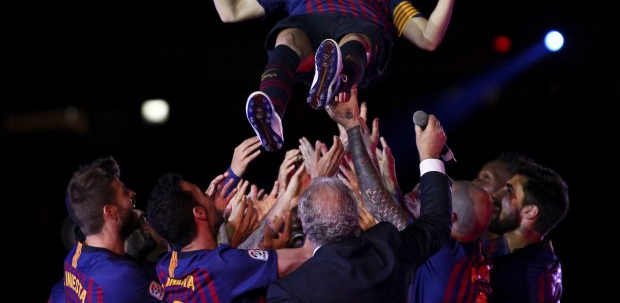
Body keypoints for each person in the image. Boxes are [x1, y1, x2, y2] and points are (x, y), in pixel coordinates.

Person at [185, 0, 465, 151]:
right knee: (288, 36)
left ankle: (338, 75)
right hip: (311, 33)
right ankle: (271, 112)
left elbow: (428, 37)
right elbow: (231, 11)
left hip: (361, 33)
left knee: (357, 37)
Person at [265, 85, 452, 302]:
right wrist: (429, 154)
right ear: (355, 212)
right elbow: (436, 223)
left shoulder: (288, 291)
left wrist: (304, 189)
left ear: (305, 225)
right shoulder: (387, 251)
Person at [146, 170, 312, 302]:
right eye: (203, 195)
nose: (210, 197)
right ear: (199, 212)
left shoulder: (166, 266)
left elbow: (227, 264)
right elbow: (307, 254)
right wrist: (315, 190)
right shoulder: (222, 266)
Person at [51, 157, 164, 302]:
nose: (132, 193)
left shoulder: (75, 256)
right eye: (124, 192)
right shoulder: (121, 276)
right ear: (110, 211)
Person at [486, 159, 569, 303]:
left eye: (509, 191)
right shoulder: (541, 261)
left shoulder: (522, 280)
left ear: (530, 211)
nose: (495, 195)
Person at [410, 180, 493, 303]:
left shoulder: (437, 247)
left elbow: (381, 202)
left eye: (440, 199)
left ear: (451, 217)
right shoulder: (476, 255)